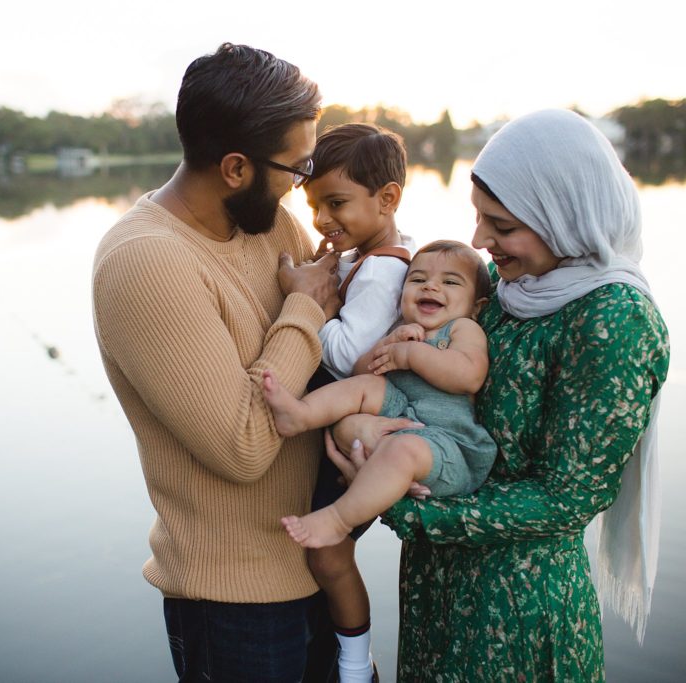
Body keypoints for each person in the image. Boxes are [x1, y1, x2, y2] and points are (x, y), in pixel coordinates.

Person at [327, 109, 670, 681]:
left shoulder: (614, 319)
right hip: (436, 592)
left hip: (517, 610)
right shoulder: (506, 284)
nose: (480, 240)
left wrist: (406, 503)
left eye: (502, 225)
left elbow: (568, 498)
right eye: (479, 218)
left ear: (563, 217)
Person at [92, 43, 356, 682]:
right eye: (296, 167)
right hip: (232, 607)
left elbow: (339, 318)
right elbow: (241, 446)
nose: (303, 182)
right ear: (236, 167)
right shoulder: (146, 262)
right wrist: (303, 317)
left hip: (319, 568)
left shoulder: (267, 226)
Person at [265, 240, 498, 545]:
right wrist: (387, 345)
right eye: (418, 280)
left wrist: (411, 355)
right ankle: (300, 415)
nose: (430, 287)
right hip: (403, 413)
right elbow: (362, 371)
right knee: (364, 388)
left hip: (448, 441)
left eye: (450, 282)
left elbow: (470, 376)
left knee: (402, 451)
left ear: (476, 306)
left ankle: (338, 519)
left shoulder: (462, 328)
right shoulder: (401, 328)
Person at [298, 122, 416, 683]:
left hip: (364, 429)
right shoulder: (363, 260)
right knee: (326, 553)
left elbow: (346, 355)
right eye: (314, 204)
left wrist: (302, 304)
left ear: (387, 198)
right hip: (355, 422)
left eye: (336, 203)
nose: (322, 219)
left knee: (328, 552)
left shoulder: (385, 272)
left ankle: (353, 666)